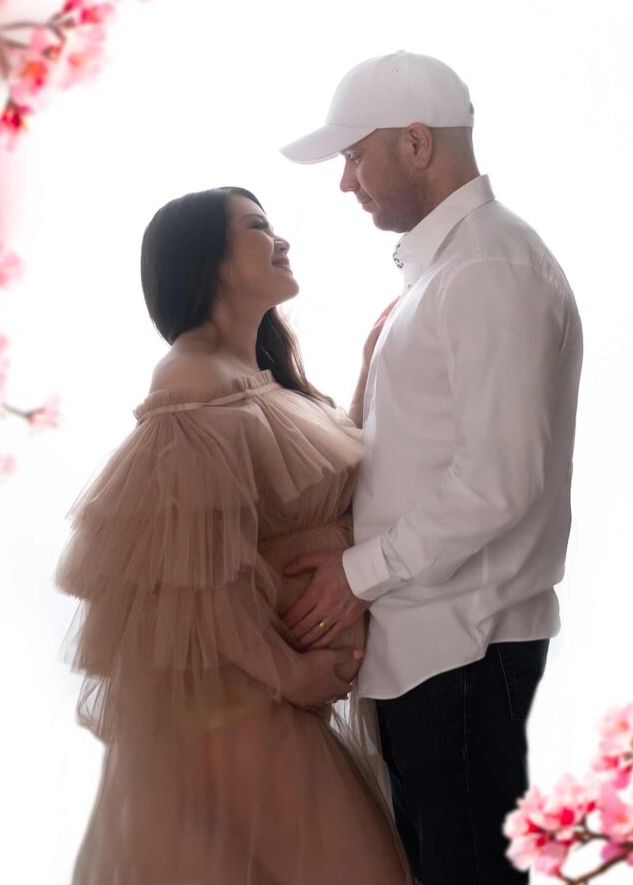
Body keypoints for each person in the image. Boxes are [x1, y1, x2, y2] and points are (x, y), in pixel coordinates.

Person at [279, 50, 584, 885]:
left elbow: (499, 482)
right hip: (431, 648)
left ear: (416, 143)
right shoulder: (454, 269)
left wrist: (356, 572)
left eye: (354, 154)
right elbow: (425, 459)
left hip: (461, 648)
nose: (345, 182)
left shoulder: (488, 268)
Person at [55, 186, 413, 884]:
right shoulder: (190, 378)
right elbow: (189, 578)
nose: (280, 240)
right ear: (209, 262)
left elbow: (329, 479)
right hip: (243, 705)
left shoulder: (258, 378)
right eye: (257, 227)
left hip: (271, 706)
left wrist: (376, 368)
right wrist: (295, 674)